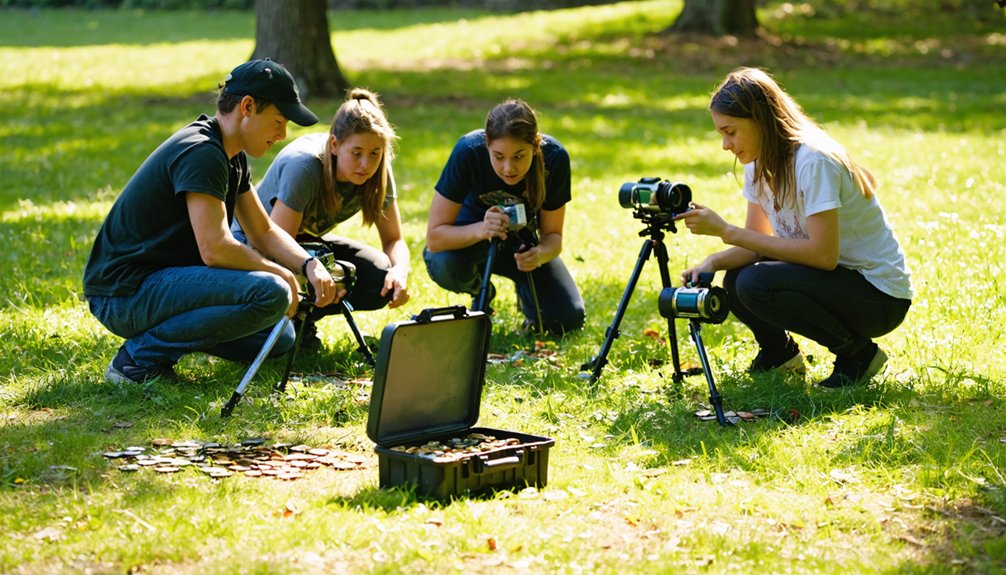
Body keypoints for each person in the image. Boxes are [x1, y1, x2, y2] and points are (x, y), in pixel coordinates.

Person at [83, 59, 339, 385]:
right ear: (247, 107)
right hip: (123, 295)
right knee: (271, 293)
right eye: (278, 120)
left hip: (157, 286)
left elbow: (262, 231)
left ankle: (169, 338)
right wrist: (280, 273)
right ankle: (137, 361)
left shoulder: (231, 154)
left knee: (280, 337)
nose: (282, 134)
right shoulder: (203, 152)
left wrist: (307, 265)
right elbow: (215, 249)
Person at [676, 67, 913, 388]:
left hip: (878, 297)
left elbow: (823, 255)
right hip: (836, 283)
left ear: (760, 119)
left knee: (755, 281)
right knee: (735, 281)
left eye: (730, 131)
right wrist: (712, 263)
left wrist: (725, 230)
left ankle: (858, 356)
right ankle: (779, 354)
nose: (725, 145)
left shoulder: (813, 161)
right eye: (721, 134)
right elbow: (756, 243)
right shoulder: (758, 162)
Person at [233, 88, 410, 347]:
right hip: (256, 244)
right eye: (357, 152)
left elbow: (394, 239)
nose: (366, 164)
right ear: (335, 145)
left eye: (375, 153)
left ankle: (304, 319)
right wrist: (319, 277)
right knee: (308, 279)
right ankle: (280, 322)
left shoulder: (377, 171)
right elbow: (276, 243)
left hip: (303, 242)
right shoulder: (305, 167)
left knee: (378, 277)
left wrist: (400, 272)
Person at [424, 98, 585, 335]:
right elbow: (435, 239)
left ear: (535, 145)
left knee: (566, 319)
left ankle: (526, 294)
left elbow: (553, 237)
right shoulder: (468, 151)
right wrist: (481, 229)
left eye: (519, 156)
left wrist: (539, 255)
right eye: (498, 156)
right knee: (444, 264)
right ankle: (481, 289)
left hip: (522, 248)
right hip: (469, 244)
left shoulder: (555, 157)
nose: (508, 168)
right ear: (486, 145)